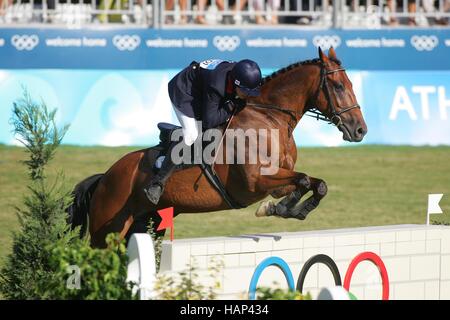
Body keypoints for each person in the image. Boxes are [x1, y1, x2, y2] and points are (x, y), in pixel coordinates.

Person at [143, 59, 262, 205]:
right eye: (245, 92)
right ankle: (158, 182)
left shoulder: (239, 75)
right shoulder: (216, 84)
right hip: (185, 92)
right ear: (236, 83)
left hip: (202, 90)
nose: (248, 96)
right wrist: (231, 105)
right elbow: (209, 120)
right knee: (192, 134)